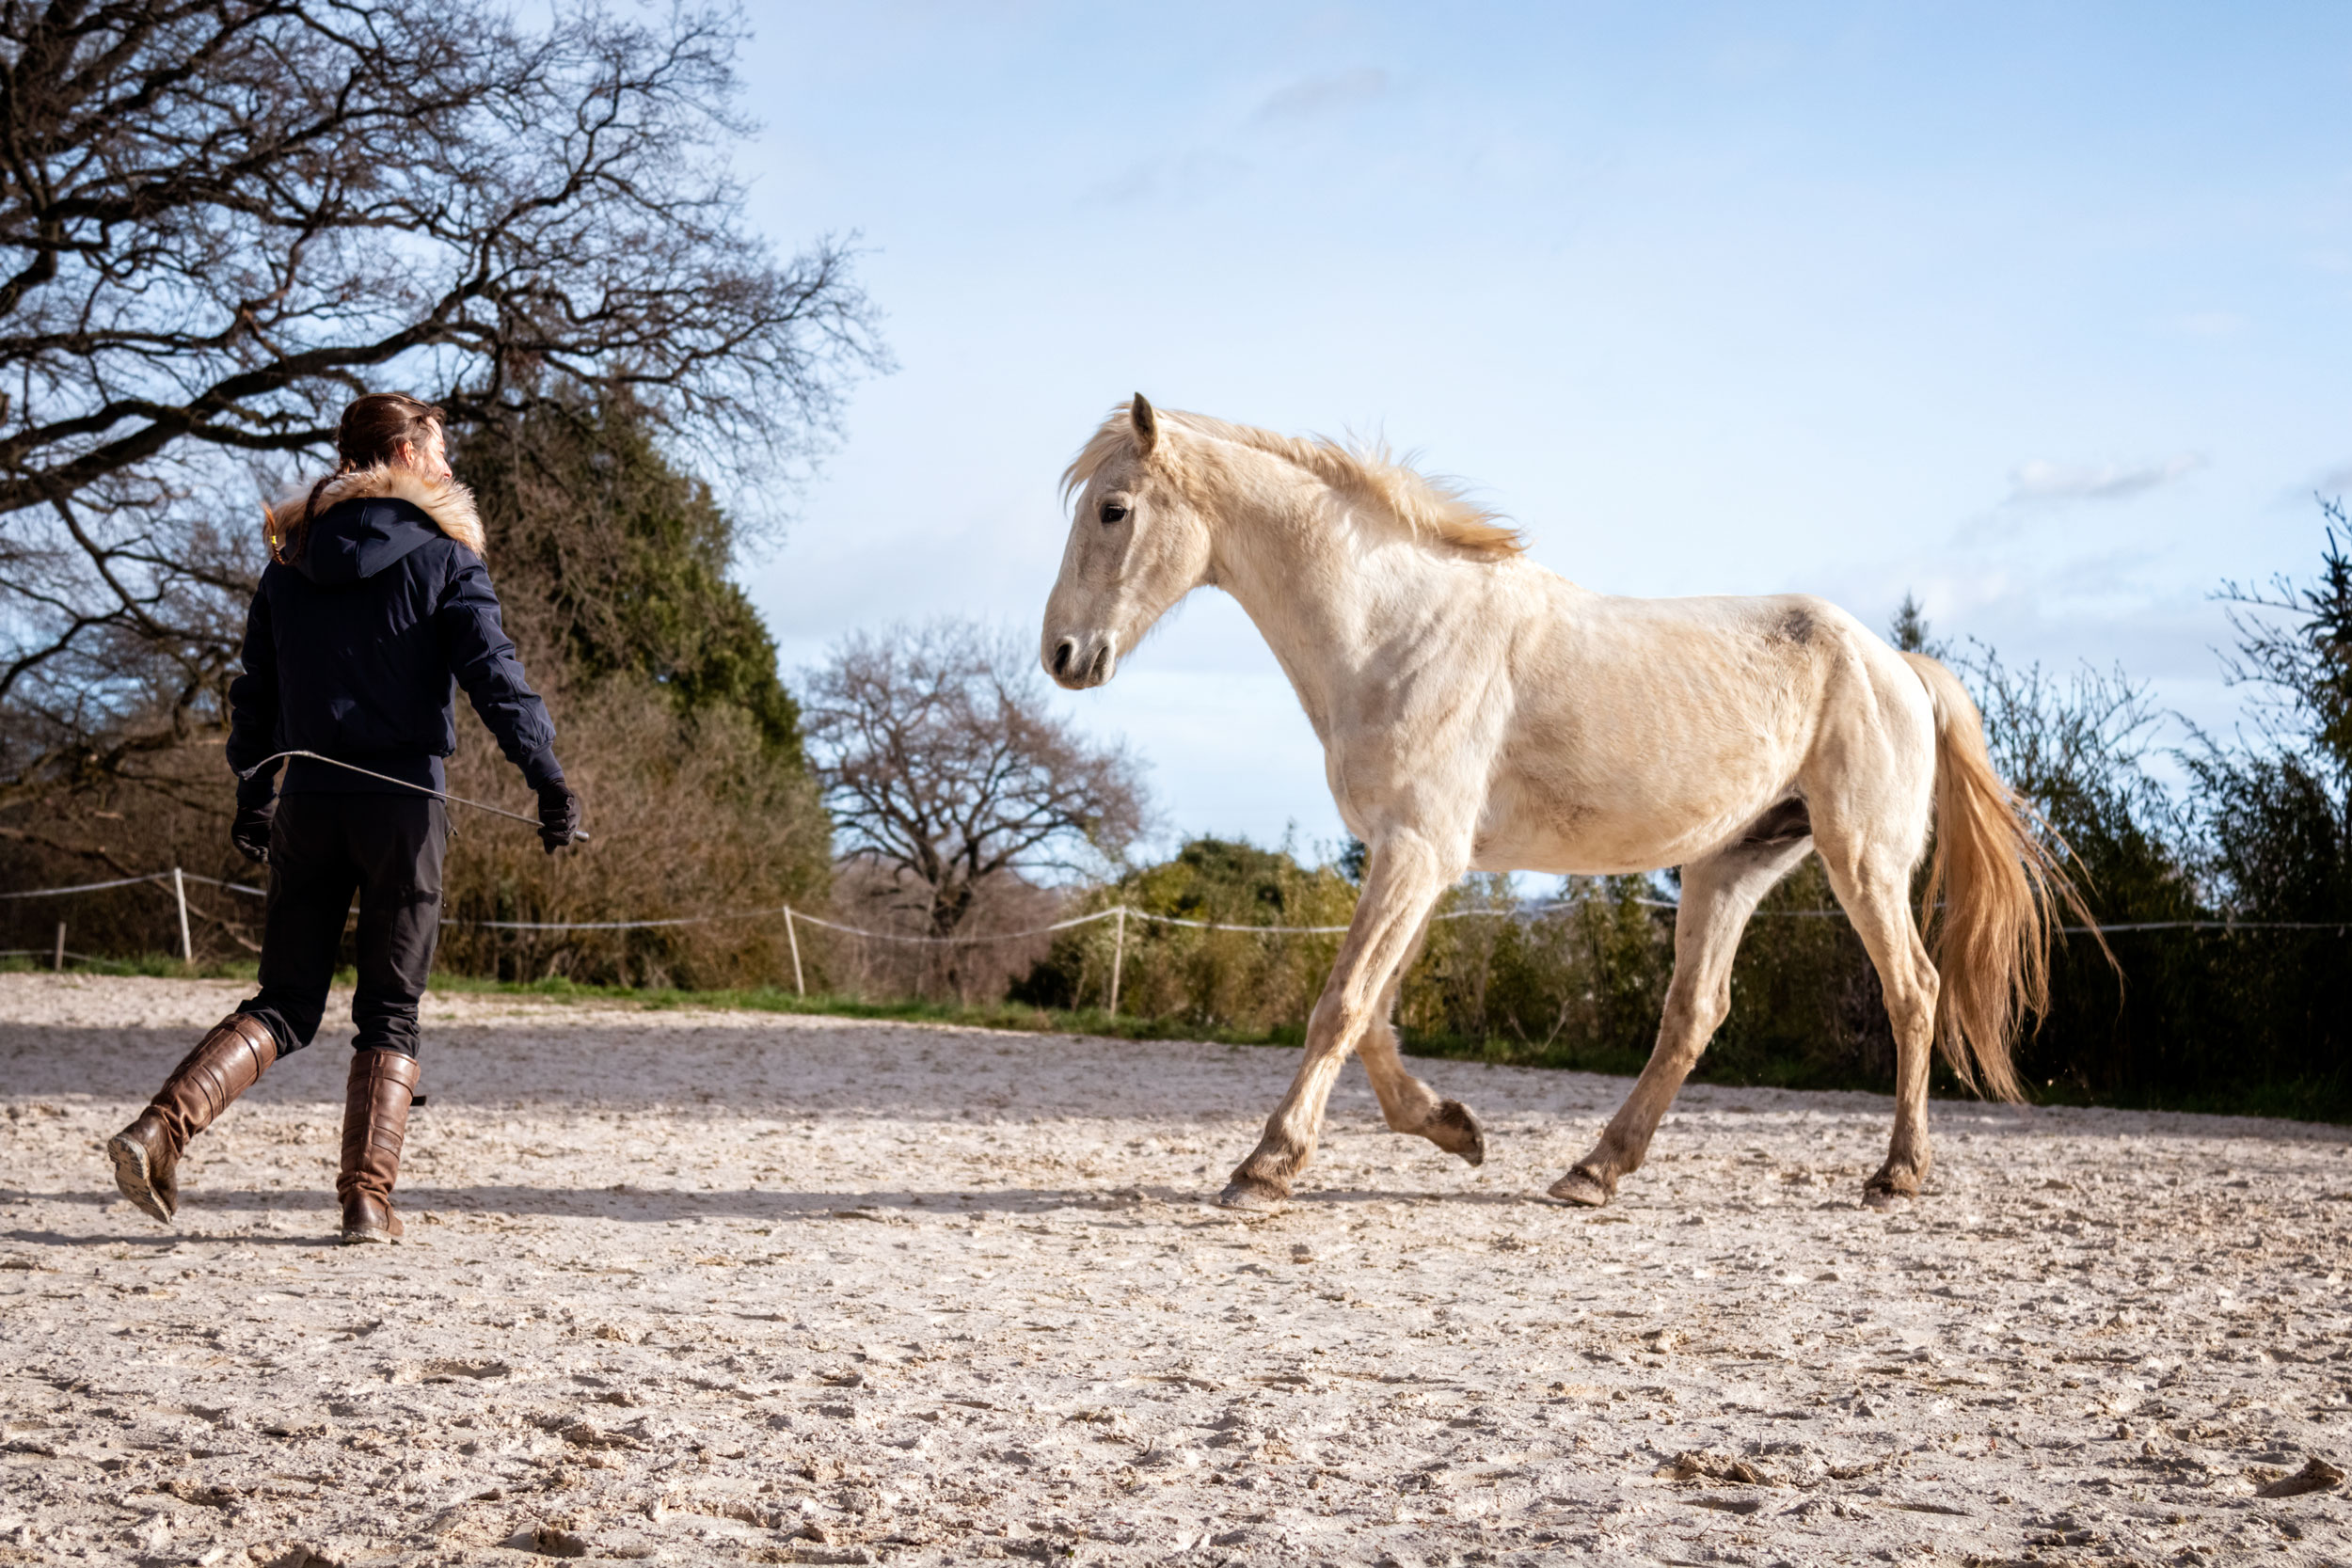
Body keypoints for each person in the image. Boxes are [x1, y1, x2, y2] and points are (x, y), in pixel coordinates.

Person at [106, 393, 582, 1243]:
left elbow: (259, 692)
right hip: (405, 809)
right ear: (401, 451)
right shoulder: (446, 559)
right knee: (390, 1012)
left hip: (309, 803)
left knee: (287, 1001)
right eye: (437, 449)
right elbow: (496, 680)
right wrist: (548, 779)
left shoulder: (287, 562)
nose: (447, 465)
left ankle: (159, 1131)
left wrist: (254, 791)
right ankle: (367, 1200)